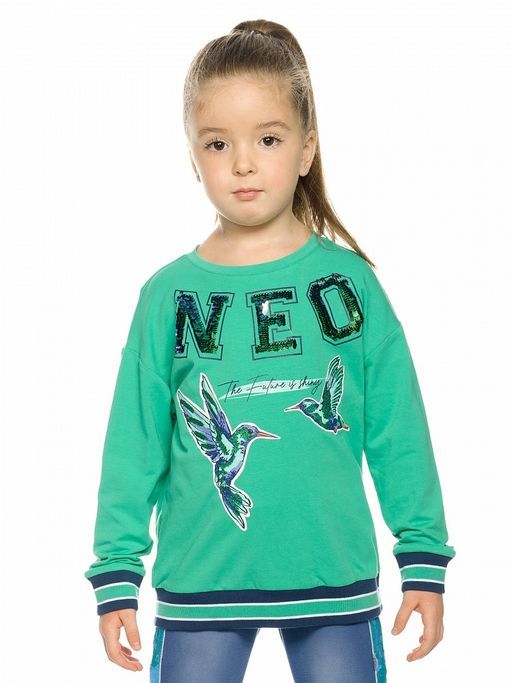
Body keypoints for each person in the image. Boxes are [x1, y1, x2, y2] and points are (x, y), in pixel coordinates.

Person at [84, 19, 456, 683]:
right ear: (192, 156)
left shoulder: (349, 285)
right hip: (202, 583)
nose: (243, 163)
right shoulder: (167, 296)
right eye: (217, 142)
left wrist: (422, 554)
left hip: (333, 580)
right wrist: (116, 569)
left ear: (307, 148)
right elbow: (134, 442)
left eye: (269, 139)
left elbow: (397, 427)